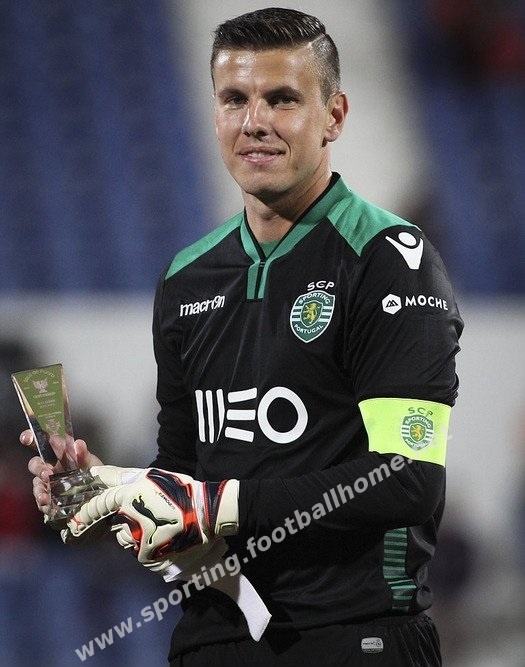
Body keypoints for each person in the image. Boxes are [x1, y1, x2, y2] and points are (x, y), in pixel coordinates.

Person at [22, 7, 463, 666]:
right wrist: (106, 490)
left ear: (334, 116)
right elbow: (182, 489)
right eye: (234, 99)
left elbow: (406, 478)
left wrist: (215, 504)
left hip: (355, 637)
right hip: (213, 639)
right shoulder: (184, 278)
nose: (254, 121)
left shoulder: (388, 258)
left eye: (281, 99)